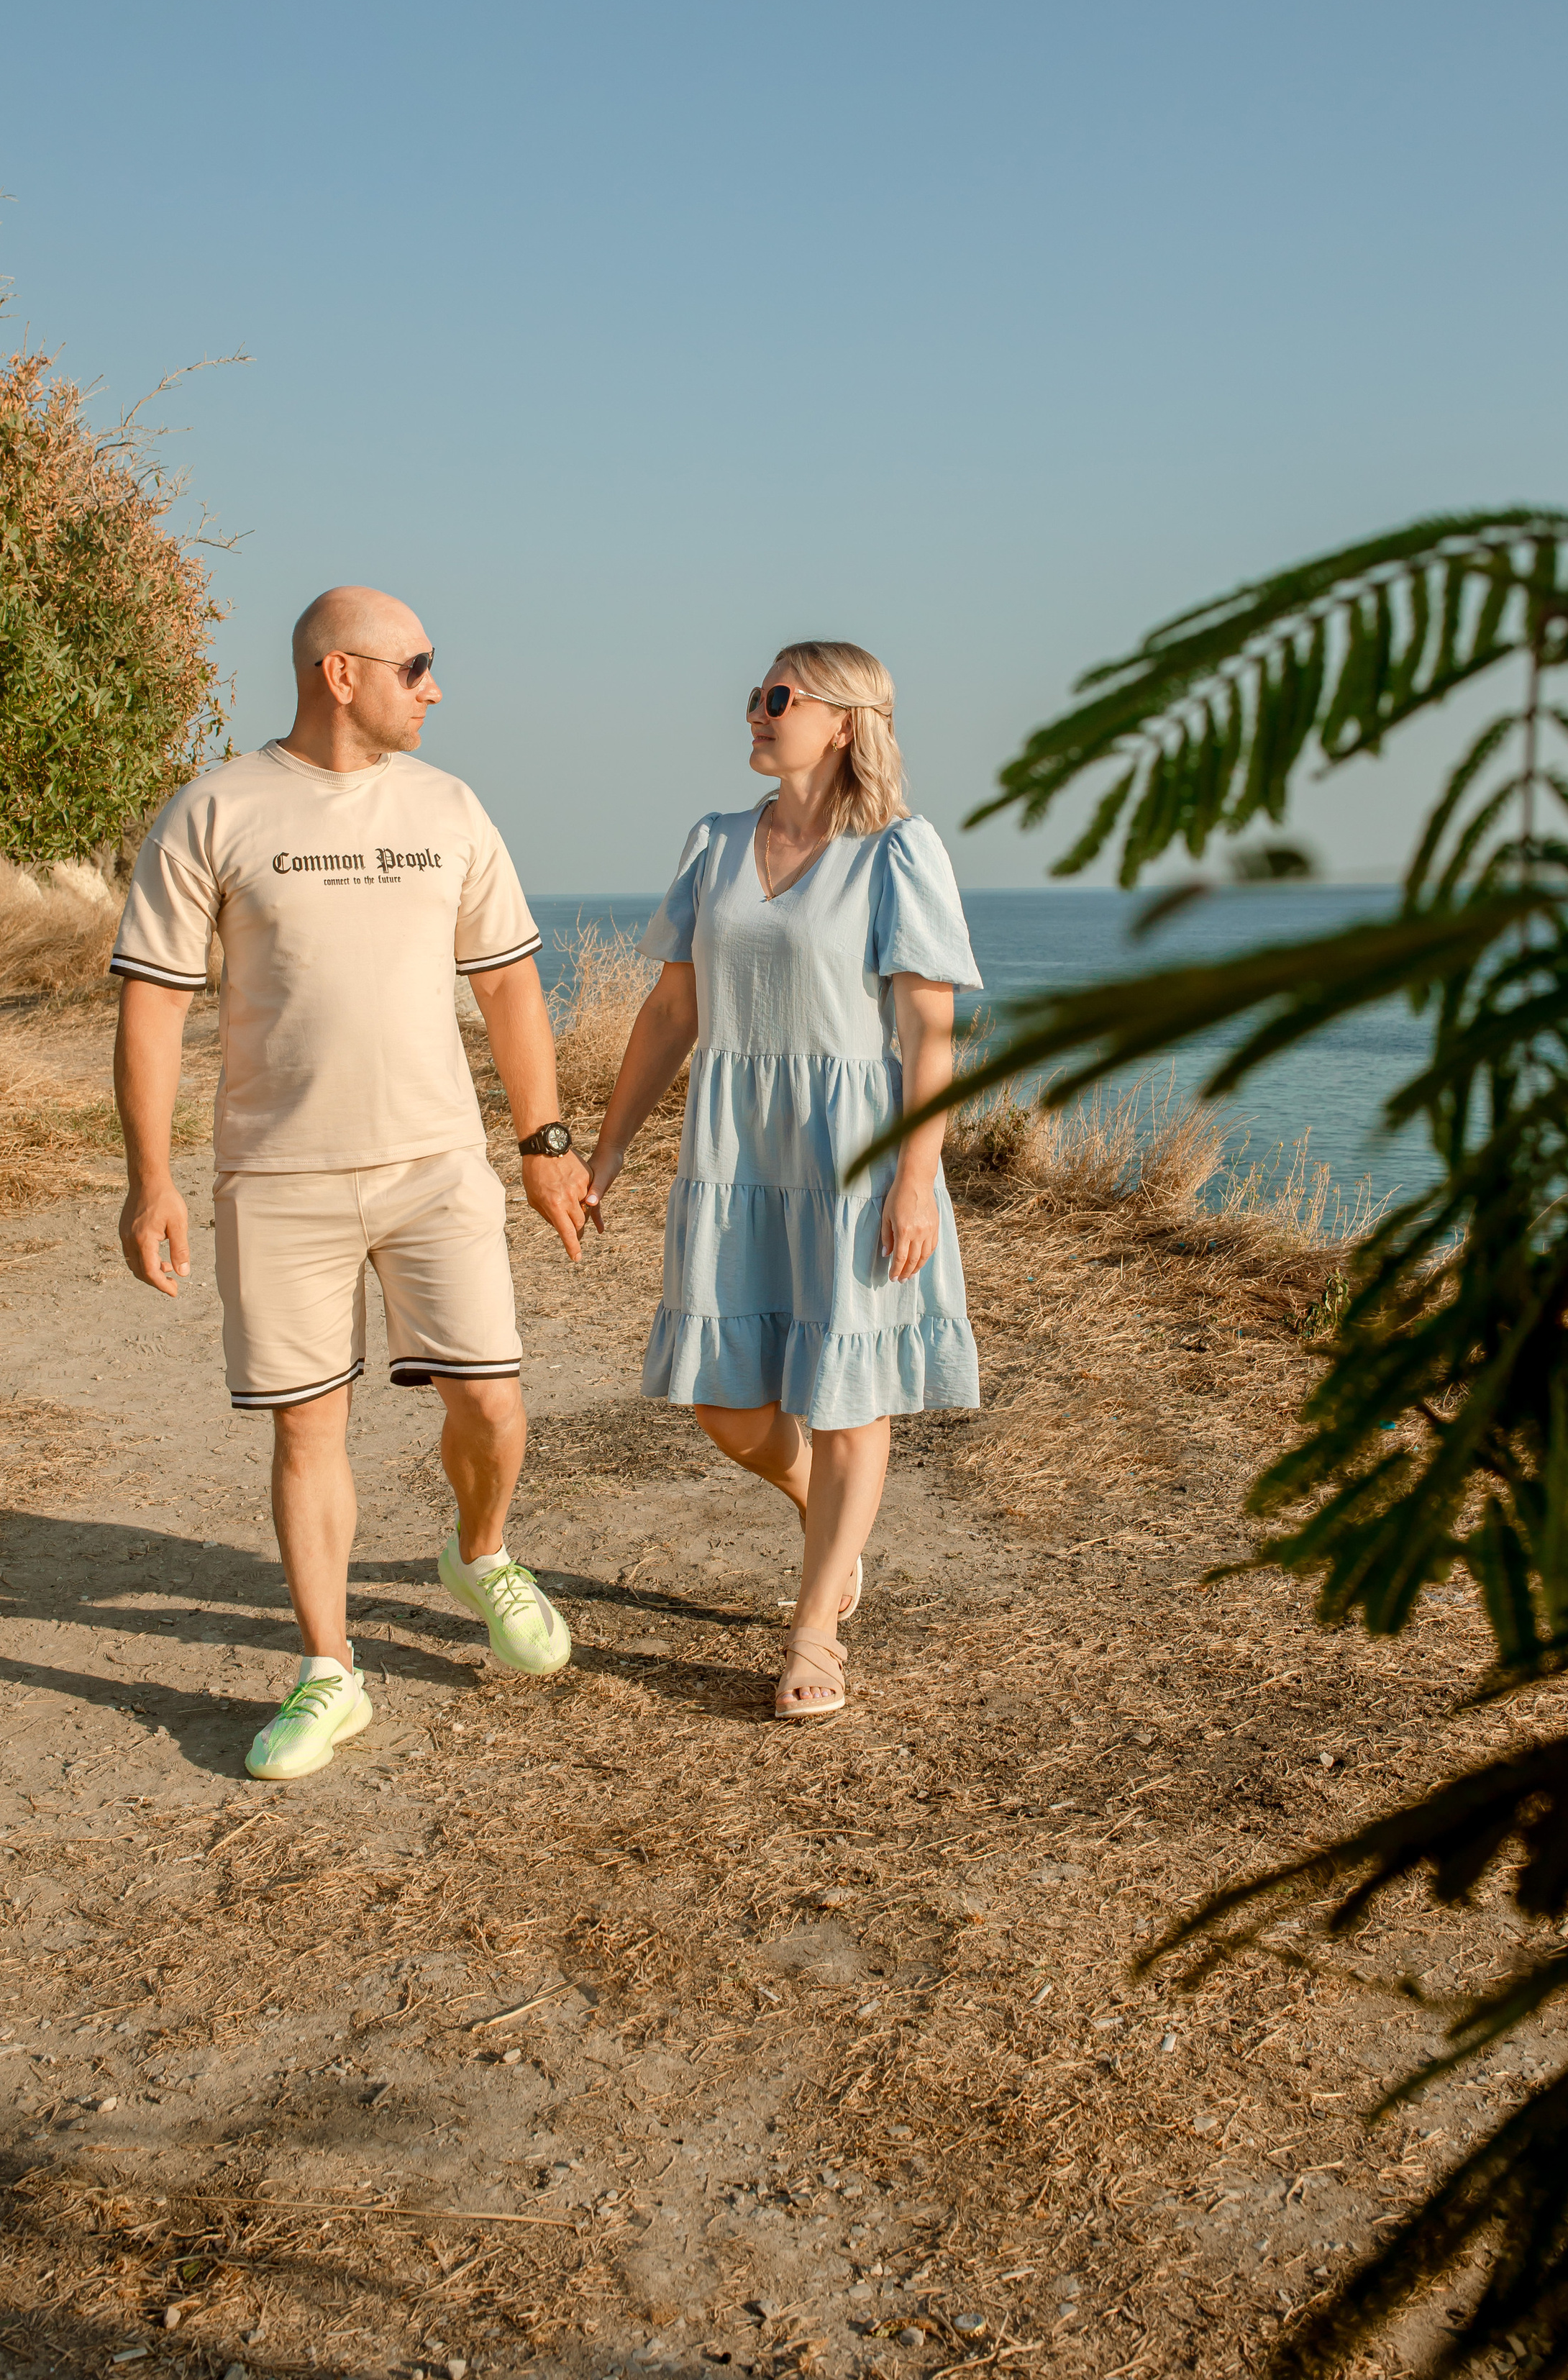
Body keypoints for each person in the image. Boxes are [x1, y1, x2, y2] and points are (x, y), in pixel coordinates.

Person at [111, 586, 592, 1781]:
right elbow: (153, 1002)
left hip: (438, 1168)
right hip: (278, 1180)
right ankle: (331, 1672)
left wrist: (545, 1146)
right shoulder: (215, 810)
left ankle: (480, 1554)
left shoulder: (450, 806)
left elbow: (511, 988)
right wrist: (149, 1181)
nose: (435, 688)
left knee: (493, 1406)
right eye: (417, 665)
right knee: (306, 1431)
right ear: (341, 674)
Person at [583, 639, 981, 1722]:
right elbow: (673, 1013)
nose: (755, 713)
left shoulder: (899, 852)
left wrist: (914, 1180)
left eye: (777, 698)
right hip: (735, 1151)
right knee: (723, 1400)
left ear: (844, 721)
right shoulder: (713, 845)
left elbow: (928, 1036)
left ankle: (814, 1630)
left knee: (852, 1397)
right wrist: (608, 1151)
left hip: (853, 1150)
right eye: (758, 697)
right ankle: (827, 1520)